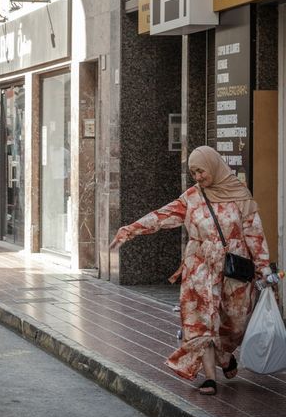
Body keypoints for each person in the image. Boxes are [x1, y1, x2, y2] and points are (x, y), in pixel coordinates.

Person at [110, 146, 272, 396]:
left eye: (201, 171)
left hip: (234, 269)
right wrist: (129, 230)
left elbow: (254, 235)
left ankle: (224, 355)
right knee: (201, 321)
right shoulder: (192, 197)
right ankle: (209, 378)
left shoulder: (240, 196)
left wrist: (263, 268)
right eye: (193, 172)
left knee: (234, 323)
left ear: (214, 166)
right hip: (200, 266)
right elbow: (162, 216)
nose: (197, 177)